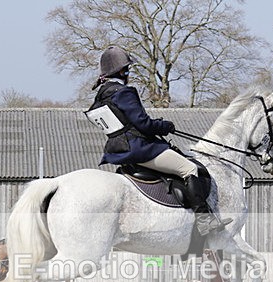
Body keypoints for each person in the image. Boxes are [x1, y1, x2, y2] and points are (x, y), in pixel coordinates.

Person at [86, 46, 231, 236]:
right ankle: (205, 220)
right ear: (121, 71)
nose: (129, 73)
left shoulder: (101, 96)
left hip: (118, 151)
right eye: (127, 69)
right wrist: (164, 126)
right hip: (139, 149)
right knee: (189, 169)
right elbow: (143, 124)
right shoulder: (124, 92)